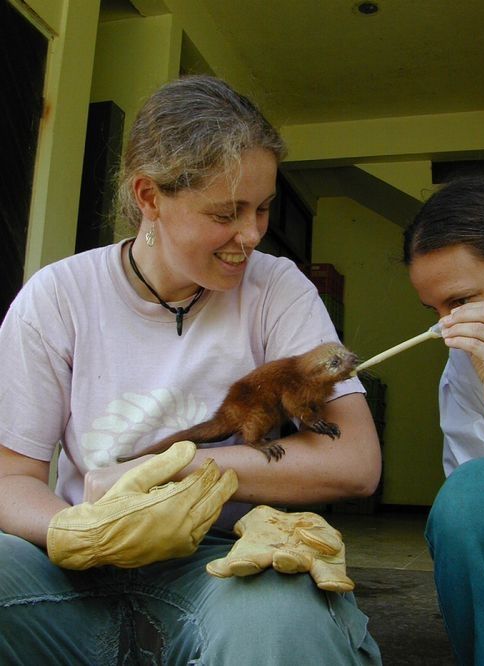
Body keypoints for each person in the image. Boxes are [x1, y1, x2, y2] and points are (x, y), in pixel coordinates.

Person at [0, 75, 382, 665]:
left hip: (226, 558)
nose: (253, 235)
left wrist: (179, 471)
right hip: (78, 559)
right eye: (227, 212)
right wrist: (76, 532)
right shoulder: (58, 296)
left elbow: (354, 461)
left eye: (263, 209)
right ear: (149, 197)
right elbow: (10, 480)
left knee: (279, 625)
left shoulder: (277, 289)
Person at [403, 175, 484, 666]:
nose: (447, 329)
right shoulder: (462, 368)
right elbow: (476, 514)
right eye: (435, 311)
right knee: (468, 499)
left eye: (460, 302)